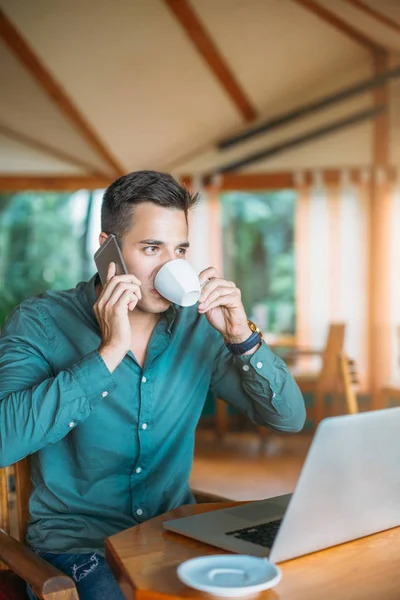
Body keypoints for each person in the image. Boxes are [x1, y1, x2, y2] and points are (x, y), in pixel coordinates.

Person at [0, 171, 305, 599]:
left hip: (174, 536)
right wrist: (108, 353)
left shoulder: (199, 327)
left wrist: (242, 337)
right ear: (107, 248)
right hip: (78, 548)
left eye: (179, 249)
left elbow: (289, 419)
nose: (171, 265)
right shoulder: (41, 322)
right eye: (151, 248)